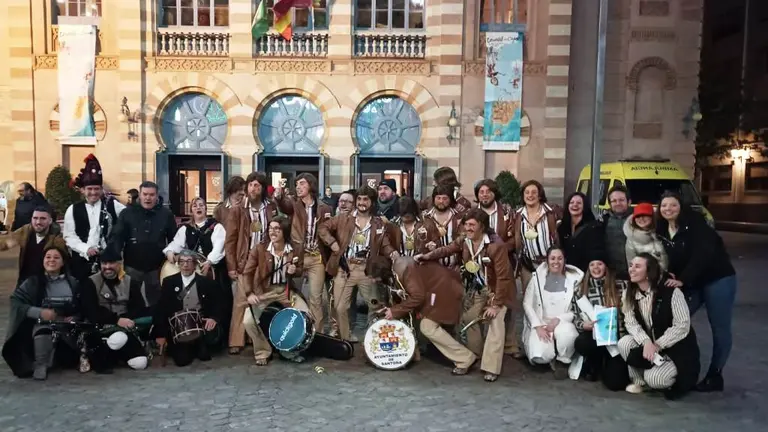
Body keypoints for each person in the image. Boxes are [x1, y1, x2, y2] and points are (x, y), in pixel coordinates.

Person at [416, 208, 513, 383]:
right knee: (469, 319)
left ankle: (491, 368)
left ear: (481, 226)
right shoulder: (464, 240)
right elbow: (446, 250)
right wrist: (427, 256)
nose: (467, 228)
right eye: (466, 224)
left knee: (495, 322)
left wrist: (496, 304)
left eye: (471, 225)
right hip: (477, 289)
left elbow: (504, 278)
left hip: (497, 290)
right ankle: (473, 357)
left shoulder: (496, 246)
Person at [655, 191, 735, 392]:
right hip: (692, 282)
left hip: (717, 278)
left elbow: (703, 255)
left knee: (719, 327)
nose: (668, 209)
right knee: (677, 319)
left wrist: (683, 279)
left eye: (673, 205)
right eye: (664, 206)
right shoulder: (662, 229)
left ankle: (715, 375)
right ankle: (674, 367)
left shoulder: (697, 224)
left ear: (681, 207)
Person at [370, 256, 478, 375]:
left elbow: (417, 296)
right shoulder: (398, 268)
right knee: (432, 326)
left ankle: (465, 358)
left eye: (374, 277)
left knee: (427, 327)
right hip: (440, 290)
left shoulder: (405, 270)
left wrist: (395, 311)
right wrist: (393, 309)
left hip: (444, 292)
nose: (373, 281)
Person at [317, 185, 398, 341]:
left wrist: (393, 253)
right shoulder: (344, 218)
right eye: (359, 199)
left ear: (372, 202)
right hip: (345, 268)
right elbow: (322, 228)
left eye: (366, 199)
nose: (362, 202)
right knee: (340, 307)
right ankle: (345, 338)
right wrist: (333, 243)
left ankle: (376, 338)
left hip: (366, 269)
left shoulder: (378, 223)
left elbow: (385, 244)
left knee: (375, 305)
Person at [2, 246, 95, 380]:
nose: (52, 260)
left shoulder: (73, 283)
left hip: (66, 328)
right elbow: (16, 302)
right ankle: (41, 365)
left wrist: (75, 317)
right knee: (43, 331)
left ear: (63, 262)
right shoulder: (32, 283)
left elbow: (82, 307)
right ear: (43, 261)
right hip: (40, 326)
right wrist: (39, 312)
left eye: (56, 258)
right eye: (48, 257)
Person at [618, 253, 700, 399]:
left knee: (656, 379)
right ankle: (640, 381)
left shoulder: (671, 293)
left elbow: (682, 325)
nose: (631, 269)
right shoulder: (629, 293)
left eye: (637, 266)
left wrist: (657, 345)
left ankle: (659, 377)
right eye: (631, 266)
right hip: (649, 344)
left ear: (649, 271)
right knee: (624, 343)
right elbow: (630, 322)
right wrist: (646, 341)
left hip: (674, 348)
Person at [241, 216, 310, 365]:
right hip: (265, 292)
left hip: (286, 291)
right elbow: (247, 272)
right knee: (248, 321)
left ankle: (288, 351)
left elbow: (301, 269)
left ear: (284, 230)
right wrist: (249, 293)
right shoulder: (259, 248)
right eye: (271, 228)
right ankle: (263, 351)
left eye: (277, 228)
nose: (273, 231)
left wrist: (295, 270)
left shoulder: (296, 248)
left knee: (305, 315)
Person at [224, 172, 277, 355]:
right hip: (244, 259)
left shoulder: (270, 208)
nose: (254, 189)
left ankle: (253, 337)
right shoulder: (238, 210)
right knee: (240, 301)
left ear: (263, 189)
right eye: (251, 185)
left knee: (259, 300)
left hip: (264, 258)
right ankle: (236, 340)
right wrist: (231, 266)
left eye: (258, 185)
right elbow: (230, 240)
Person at [273, 173, 333, 335]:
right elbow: (284, 205)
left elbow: (327, 231)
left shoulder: (324, 208)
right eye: (297, 184)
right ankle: (294, 331)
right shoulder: (294, 204)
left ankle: (318, 334)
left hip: (316, 258)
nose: (298, 187)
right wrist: (278, 197)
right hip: (298, 257)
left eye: (302, 184)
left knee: (316, 299)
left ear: (311, 185)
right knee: (293, 295)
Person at [80, 247, 150, 373]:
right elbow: (90, 310)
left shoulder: (130, 281)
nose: (107, 267)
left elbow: (138, 306)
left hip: (126, 327)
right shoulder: (90, 282)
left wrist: (126, 319)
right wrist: (116, 320)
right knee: (119, 338)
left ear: (120, 264)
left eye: (111, 263)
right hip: (101, 328)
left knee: (140, 363)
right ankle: (98, 354)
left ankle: (116, 355)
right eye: (104, 263)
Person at [108, 181, 177, 307]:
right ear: (139, 195)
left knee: (157, 301)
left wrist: (173, 253)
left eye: (151, 195)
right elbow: (117, 236)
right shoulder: (127, 213)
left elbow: (174, 239)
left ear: (157, 196)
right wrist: (114, 257)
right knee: (128, 300)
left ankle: (156, 325)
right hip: (132, 266)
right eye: (145, 194)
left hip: (157, 267)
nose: (148, 198)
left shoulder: (166, 214)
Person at [152, 249, 224, 367]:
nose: (185, 265)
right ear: (178, 264)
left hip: (200, 325)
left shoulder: (206, 283)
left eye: (189, 261)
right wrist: (161, 334)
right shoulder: (169, 282)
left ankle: (198, 344)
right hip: (178, 328)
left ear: (195, 264)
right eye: (182, 261)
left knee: (204, 356)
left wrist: (213, 318)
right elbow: (161, 309)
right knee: (182, 361)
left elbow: (219, 303)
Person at [521, 246, 583, 379]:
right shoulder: (537, 279)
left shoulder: (574, 281)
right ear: (547, 261)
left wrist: (560, 319)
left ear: (564, 260)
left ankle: (563, 359)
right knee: (539, 356)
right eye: (553, 258)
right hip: (542, 322)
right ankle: (550, 352)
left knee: (568, 334)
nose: (556, 262)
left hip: (562, 322)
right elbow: (527, 303)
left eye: (560, 258)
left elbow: (576, 308)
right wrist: (537, 326)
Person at [571, 252, 629, 390]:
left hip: (616, 339)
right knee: (582, 343)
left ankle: (609, 363)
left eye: (600, 264)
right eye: (592, 264)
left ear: (606, 267)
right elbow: (575, 316)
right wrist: (583, 325)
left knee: (616, 384)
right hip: (594, 337)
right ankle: (594, 360)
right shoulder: (580, 289)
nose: (596, 268)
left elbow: (630, 313)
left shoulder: (621, 286)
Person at [63, 154, 126, 282]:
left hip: (108, 263)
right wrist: (86, 249)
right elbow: (69, 236)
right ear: (82, 190)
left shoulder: (112, 205)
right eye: (89, 189)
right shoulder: (73, 209)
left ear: (102, 189)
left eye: (96, 189)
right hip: (81, 262)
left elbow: (130, 216)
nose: (93, 192)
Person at [0, 206, 66, 286]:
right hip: (24, 281)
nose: (38, 222)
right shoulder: (25, 231)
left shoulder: (57, 239)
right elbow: (6, 244)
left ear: (50, 221)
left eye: (43, 218)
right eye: (35, 218)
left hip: (46, 283)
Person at [557, 191, 604, 272]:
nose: (575, 205)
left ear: (584, 206)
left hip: (585, 272)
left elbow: (596, 252)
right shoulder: (561, 227)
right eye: (572, 202)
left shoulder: (594, 227)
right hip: (566, 272)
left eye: (579, 203)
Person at [423, 185, 463, 271]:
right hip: (432, 268)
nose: (441, 201)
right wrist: (427, 245)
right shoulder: (425, 217)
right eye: (438, 198)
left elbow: (463, 241)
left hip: (455, 268)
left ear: (450, 199)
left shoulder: (459, 217)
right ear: (433, 199)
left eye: (445, 198)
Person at [623, 202, 668, 270]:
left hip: (669, 276)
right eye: (638, 216)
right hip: (646, 278)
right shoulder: (631, 239)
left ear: (652, 217)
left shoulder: (663, 231)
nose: (641, 219)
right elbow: (632, 265)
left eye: (645, 215)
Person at [601, 185, 632, 280]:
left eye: (621, 200)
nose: (618, 203)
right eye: (614, 201)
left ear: (629, 202)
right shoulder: (603, 221)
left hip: (634, 274)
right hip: (611, 276)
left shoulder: (637, 220)